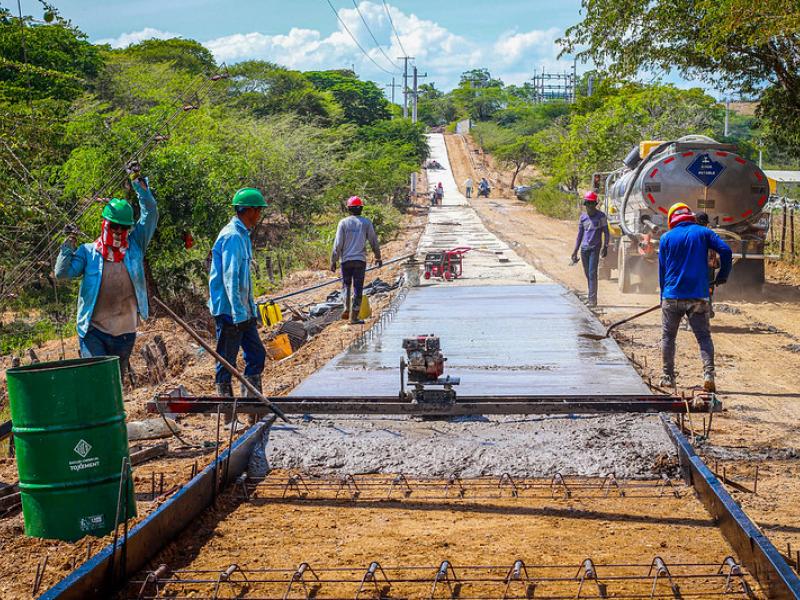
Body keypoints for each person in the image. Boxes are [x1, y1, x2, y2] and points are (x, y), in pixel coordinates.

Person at [55, 171, 158, 381]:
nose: (119, 231)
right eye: (114, 226)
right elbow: (62, 273)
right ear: (104, 224)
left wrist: (138, 182)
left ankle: (114, 415)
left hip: (125, 333)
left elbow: (151, 212)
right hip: (94, 332)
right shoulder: (87, 252)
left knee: (114, 385)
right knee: (98, 380)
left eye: (124, 227)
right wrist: (68, 245)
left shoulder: (135, 246)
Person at [208, 188, 268, 425]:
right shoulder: (232, 236)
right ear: (250, 211)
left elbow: (243, 280)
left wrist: (249, 310)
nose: (260, 215)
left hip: (242, 310)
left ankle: (253, 409)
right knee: (226, 361)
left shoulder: (242, 234)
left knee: (256, 354)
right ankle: (228, 416)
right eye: (258, 211)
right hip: (230, 311)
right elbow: (231, 278)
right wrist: (239, 313)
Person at [659, 203, 732, 392]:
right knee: (703, 337)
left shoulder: (666, 237)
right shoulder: (703, 233)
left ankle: (668, 377)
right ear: (690, 216)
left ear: (671, 219)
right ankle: (708, 374)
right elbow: (726, 250)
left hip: (672, 296)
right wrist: (722, 275)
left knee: (668, 337)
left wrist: (663, 296)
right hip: (698, 296)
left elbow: (663, 271)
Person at [331, 196, 382, 325]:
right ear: (361, 209)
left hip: (345, 261)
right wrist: (378, 257)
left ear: (349, 209)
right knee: (358, 288)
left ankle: (346, 308)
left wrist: (333, 260)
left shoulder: (343, 223)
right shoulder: (366, 222)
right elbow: (373, 241)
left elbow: (338, 244)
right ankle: (354, 317)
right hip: (360, 261)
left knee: (346, 285)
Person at [570, 191, 609, 307]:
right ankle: (591, 296)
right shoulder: (583, 218)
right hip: (584, 249)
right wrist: (575, 251)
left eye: (592, 204)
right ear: (585, 204)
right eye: (587, 204)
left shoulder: (601, 216)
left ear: (595, 204)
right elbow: (579, 235)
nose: (590, 207)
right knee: (587, 273)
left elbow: (606, 233)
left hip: (594, 248)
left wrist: (605, 246)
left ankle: (593, 300)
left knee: (592, 273)